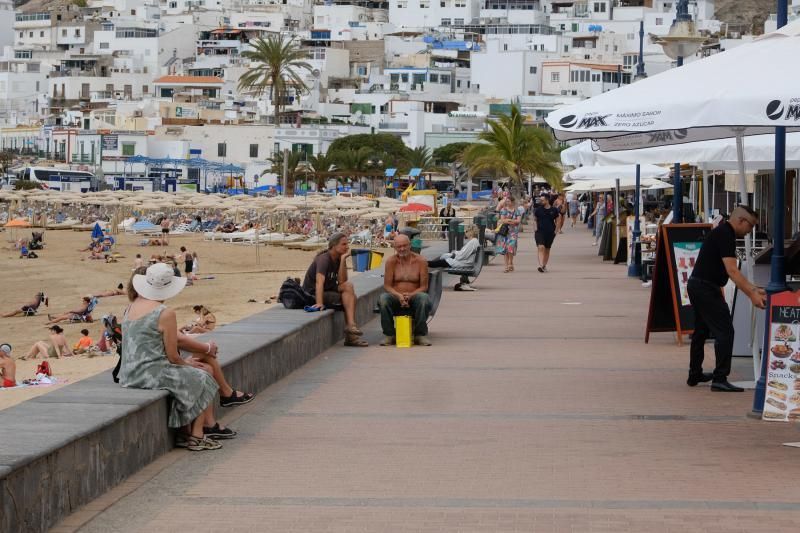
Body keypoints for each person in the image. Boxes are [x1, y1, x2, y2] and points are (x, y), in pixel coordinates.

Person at [120, 263, 229, 451]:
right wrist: (186, 364)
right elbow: (172, 356)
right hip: (151, 372)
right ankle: (196, 435)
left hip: (129, 373)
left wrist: (185, 364)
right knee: (204, 376)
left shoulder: (130, 308)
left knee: (197, 374)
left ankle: (186, 433)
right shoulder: (165, 313)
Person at [688, 205, 766, 392]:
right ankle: (720, 378)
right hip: (706, 288)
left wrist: (753, 288)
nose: (750, 232)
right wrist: (752, 293)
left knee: (700, 331)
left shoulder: (723, 232)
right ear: (741, 220)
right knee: (725, 332)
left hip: (698, 285)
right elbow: (732, 270)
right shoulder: (726, 234)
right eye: (751, 226)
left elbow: (731, 271)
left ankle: (695, 374)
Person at [302, 233, 368, 347]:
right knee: (349, 300)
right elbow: (319, 282)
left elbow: (343, 281)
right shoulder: (324, 259)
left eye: (347, 244)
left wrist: (342, 260)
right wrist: (319, 303)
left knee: (349, 287)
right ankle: (351, 334)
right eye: (343, 244)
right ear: (333, 245)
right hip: (313, 294)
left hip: (329, 290)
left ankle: (351, 326)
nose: (347, 247)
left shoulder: (338, 258)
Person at [379, 234, 431, 346]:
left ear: (410, 245)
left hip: (415, 295)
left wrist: (411, 295)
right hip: (396, 296)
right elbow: (387, 286)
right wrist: (399, 296)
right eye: (399, 247)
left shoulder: (421, 261)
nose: (402, 249)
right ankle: (389, 334)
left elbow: (424, 287)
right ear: (394, 247)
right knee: (383, 299)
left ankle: (420, 335)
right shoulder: (391, 262)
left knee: (424, 298)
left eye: (405, 246)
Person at [427, 225, 480, 291]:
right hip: (465, 262)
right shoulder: (474, 241)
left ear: (471, 232)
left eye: (466, 231)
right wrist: (455, 254)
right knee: (440, 261)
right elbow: (464, 254)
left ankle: (424, 263)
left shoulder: (473, 242)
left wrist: (454, 255)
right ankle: (426, 263)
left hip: (463, 263)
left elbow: (462, 255)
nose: (465, 233)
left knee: (438, 262)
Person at [495, 195, 524, 273]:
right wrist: (512, 221)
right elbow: (502, 220)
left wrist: (508, 220)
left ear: (512, 202)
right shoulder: (504, 210)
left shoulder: (517, 211)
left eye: (508, 201)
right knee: (505, 249)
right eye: (506, 201)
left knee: (510, 248)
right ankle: (506, 266)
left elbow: (518, 221)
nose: (507, 202)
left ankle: (510, 262)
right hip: (504, 232)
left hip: (513, 233)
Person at [533, 194, 561, 273]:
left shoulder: (554, 210)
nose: (541, 201)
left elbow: (558, 220)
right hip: (539, 232)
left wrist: (556, 231)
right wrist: (535, 229)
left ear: (547, 200)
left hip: (550, 232)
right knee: (541, 247)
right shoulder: (538, 210)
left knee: (547, 249)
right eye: (540, 200)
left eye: (542, 200)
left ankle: (544, 265)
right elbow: (535, 219)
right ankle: (541, 265)